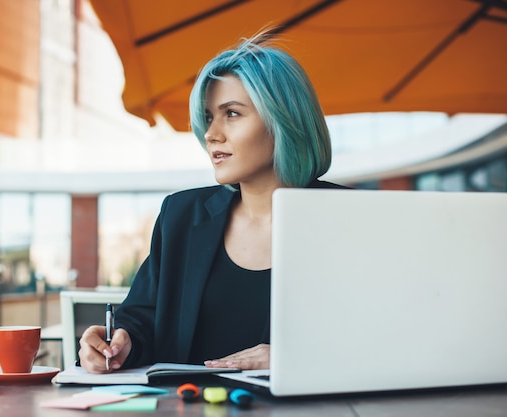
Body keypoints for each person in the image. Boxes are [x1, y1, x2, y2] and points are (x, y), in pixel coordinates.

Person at [78, 31, 349, 374]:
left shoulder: (349, 219)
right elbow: (141, 319)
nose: (211, 134)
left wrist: (295, 359)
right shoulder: (181, 215)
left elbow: (382, 337)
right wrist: (119, 343)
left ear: (283, 119)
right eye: (208, 117)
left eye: (232, 114)